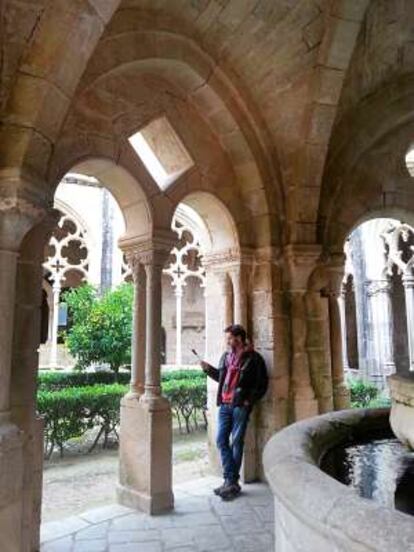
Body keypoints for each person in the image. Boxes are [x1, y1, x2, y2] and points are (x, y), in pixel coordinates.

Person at [200, 324, 269, 500]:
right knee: (221, 440)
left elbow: (262, 384)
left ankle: (229, 482)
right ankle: (231, 480)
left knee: (236, 442)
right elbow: (221, 377)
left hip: (240, 406)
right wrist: (208, 369)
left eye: (230, 338)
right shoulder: (226, 357)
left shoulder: (254, 359)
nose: (227, 341)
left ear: (239, 339)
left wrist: (248, 400)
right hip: (224, 404)